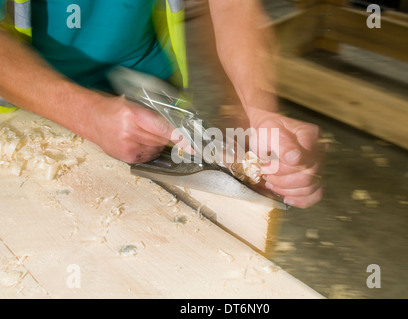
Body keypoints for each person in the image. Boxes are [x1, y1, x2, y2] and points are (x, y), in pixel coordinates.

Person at [0, 0, 322, 209]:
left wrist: (259, 109)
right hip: (28, 106)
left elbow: (232, 6)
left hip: (149, 91)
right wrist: (84, 112)